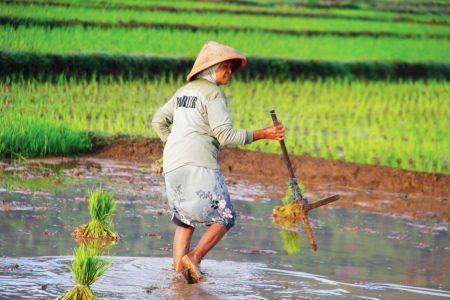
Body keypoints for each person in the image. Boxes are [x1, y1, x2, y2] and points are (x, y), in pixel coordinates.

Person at [151, 40, 284, 283]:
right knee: (226, 216)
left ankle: (179, 277)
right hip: (198, 163)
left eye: (231, 67)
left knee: (185, 220)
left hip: (172, 164)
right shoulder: (213, 93)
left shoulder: (182, 92)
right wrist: (264, 134)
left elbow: (157, 121)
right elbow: (226, 135)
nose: (230, 72)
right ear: (212, 68)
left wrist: (174, 144)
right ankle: (195, 258)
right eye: (226, 66)